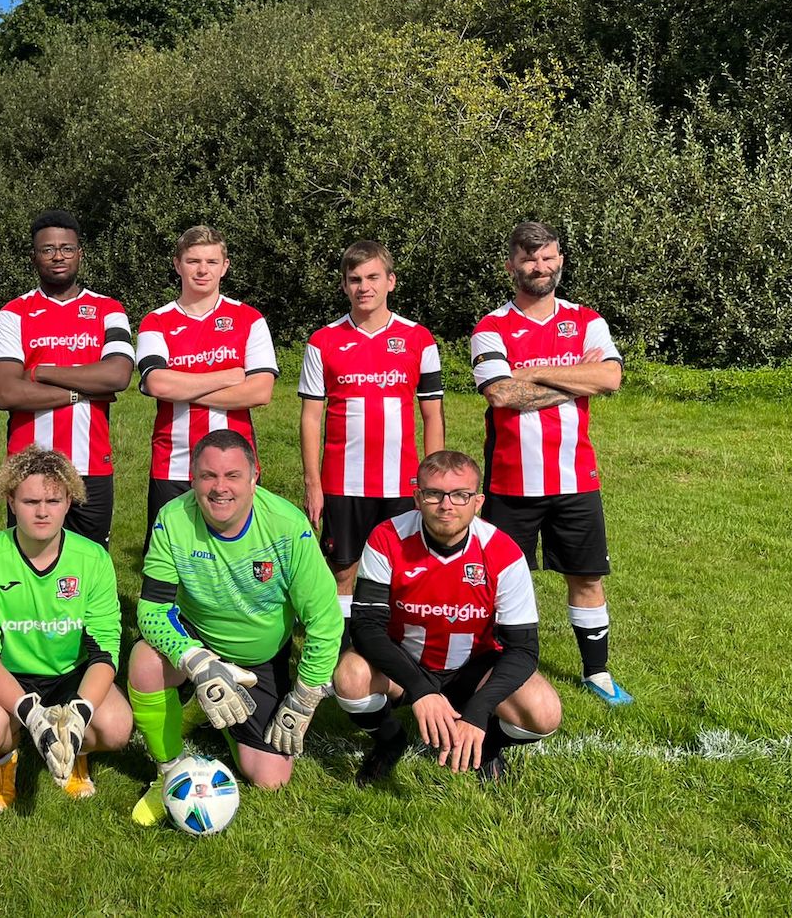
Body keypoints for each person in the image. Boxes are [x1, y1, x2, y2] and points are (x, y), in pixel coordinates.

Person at [127, 430, 342, 825]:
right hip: (197, 640)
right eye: (208, 476)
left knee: (271, 778)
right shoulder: (172, 519)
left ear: (255, 477)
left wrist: (305, 696)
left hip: (257, 659)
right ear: (193, 478)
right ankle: (168, 772)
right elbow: (153, 610)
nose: (220, 487)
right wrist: (196, 662)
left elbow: (325, 619)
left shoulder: (287, 526)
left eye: (232, 476)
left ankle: (210, 710)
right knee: (144, 661)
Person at [471, 221, 632, 705]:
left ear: (559, 260)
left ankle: (596, 672)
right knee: (500, 583)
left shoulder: (586, 320)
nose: (539, 267)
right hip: (511, 482)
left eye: (547, 257)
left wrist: (538, 370)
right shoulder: (491, 327)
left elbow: (610, 379)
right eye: (529, 259)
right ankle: (500, 668)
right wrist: (578, 380)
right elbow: (502, 394)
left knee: (586, 577)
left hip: (575, 478)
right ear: (511, 266)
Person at [338, 450, 562, 785]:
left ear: (478, 502)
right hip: (406, 664)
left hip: (473, 670)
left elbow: (523, 649)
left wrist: (479, 711)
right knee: (349, 676)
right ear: (417, 498)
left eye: (460, 495)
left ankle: (485, 745)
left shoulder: (503, 552)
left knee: (544, 711)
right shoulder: (387, 538)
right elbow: (366, 628)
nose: (447, 505)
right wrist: (421, 689)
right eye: (434, 494)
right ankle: (389, 740)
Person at [0, 446, 131, 815]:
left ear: (69, 501)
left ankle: (73, 750)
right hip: (6, 674)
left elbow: (105, 648)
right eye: (31, 501)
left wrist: (79, 714)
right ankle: (2, 760)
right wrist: (31, 714)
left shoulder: (93, 559)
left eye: (53, 500)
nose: (42, 511)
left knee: (115, 727)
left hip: (69, 674)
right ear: (10, 500)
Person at [298, 239, 445, 628]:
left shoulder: (419, 338)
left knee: (404, 567)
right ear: (345, 286)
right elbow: (311, 417)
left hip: (403, 481)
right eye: (355, 279)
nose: (364, 287)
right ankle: (344, 645)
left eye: (372, 277)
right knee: (342, 571)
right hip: (342, 481)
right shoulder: (323, 340)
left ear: (390, 281)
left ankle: (395, 645)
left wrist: (433, 481)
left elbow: (432, 415)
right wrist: (313, 483)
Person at [0, 210, 134, 548]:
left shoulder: (108, 309)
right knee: (29, 559)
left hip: (91, 464)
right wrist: (81, 392)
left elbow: (117, 374)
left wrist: (41, 372)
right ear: (34, 257)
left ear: (79, 253)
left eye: (67, 248)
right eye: (48, 249)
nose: (58, 256)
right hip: (28, 465)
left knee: (90, 561)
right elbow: (6, 393)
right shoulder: (13, 314)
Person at [135, 226, 278, 537]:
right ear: (177, 265)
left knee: (240, 550)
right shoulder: (156, 321)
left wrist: (182, 389)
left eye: (212, 262)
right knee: (169, 552)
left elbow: (260, 391)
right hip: (173, 464)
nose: (202, 270)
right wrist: (227, 377)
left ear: (224, 266)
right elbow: (158, 384)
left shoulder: (249, 318)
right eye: (193, 261)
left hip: (236, 466)